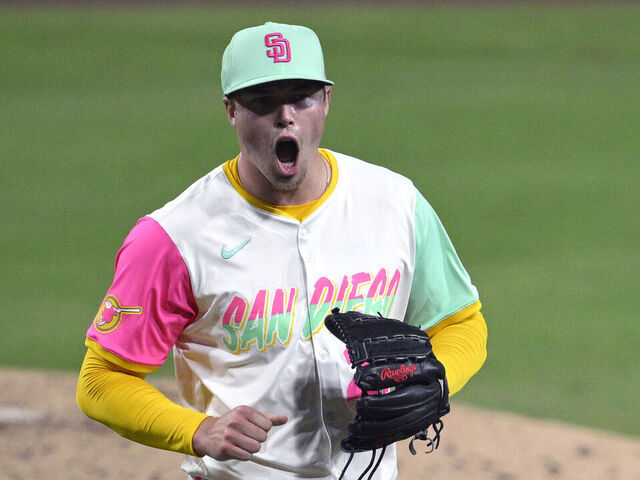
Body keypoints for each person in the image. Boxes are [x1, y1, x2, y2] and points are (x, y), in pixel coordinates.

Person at [77, 22, 488, 480]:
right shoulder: (174, 237)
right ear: (231, 111)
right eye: (263, 101)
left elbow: (460, 321)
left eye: (301, 97)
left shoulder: (397, 204)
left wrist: (437, 378)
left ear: (327, 102)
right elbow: (101, 379)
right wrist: (199, 429)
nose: (285, 116)